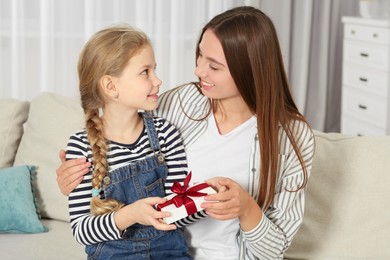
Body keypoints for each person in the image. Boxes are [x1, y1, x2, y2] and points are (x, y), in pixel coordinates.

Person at [57, 6, 315, 260]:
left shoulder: (293, 138)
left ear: (249, 69)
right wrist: (78, 176)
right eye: (199, 56)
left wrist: (245, 208)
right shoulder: (179, 103)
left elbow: (274, 251)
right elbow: (118, 120)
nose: (198, 71)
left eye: (214, 66)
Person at [65, 24, 192, 259]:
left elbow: (179, 210)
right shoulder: (81, 146)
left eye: (155, 70)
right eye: (145, 72)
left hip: (169, 253)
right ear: (111, 86)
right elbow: (82, 230)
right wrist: (130, 215)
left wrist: (205, 201)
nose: (158, 81)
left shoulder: (166, 134)